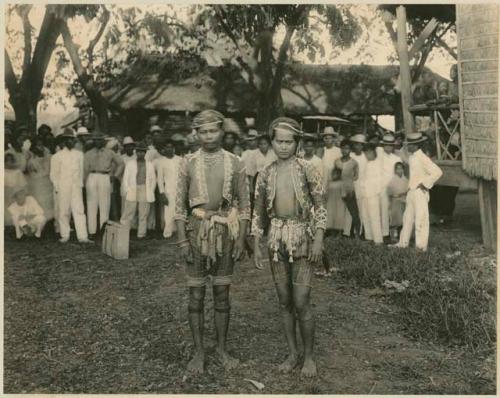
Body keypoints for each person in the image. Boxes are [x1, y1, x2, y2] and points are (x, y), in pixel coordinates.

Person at [174, 109, 250, 374]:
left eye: (213, 130)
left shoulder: (236, 162)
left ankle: (221, 349)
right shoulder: (188, 162)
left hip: (225, 231)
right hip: (196, 229)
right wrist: (183, 241)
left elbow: (244, 205)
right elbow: (179, 205)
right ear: (196, 134)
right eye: (203, 131)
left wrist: (241, 238)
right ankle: (198, 352)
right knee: (196, 294)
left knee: (222, 293)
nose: (209, 136)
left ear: (222, 131)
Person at [252, 117, 325, 378]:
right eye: (278, 141)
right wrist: (257, 243)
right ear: (271, 142)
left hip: (303, 237)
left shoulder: (308, 169)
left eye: (288, 141)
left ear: (297, 142)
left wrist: (318, 238)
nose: (283, 146)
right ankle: (292, 353)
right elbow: (258, 211)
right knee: (284, 301)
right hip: (276, 239)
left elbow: (320, 207)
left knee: (301, 300)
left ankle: (308, 357)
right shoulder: (266, 173)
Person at [392, 133, 443, 251]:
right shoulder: (412, 157)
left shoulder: (423, 157)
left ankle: (421, 246)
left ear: (415, 146)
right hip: (412, 191)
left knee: (421, 218)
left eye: (409, 145)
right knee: (407, 218)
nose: (407, 147)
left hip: (420, 192)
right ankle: (403, 243)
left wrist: (424, 184)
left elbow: (437, 172)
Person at [50, 129, 92, 243]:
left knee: (79, 210)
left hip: (76, 186)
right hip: (63, 186)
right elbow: (53, 174)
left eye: (72, 139)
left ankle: (83, 236)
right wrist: (57, 187)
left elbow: (82, 171)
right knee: (63, 211)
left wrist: (80, 185)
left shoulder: (79, 154)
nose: (70, 141)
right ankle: (65, 235)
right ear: (64, 141)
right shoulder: (57, 156)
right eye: (68, 139)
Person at [84, 132, 124, 237]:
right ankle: (92, 231)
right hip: (92, 177)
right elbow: (85, 170)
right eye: (96, 140)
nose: (98, 142)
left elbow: (120, 163)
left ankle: (103, 231)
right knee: (91, 204)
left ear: (103, 141)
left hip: (104, 176)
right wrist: (84, 183)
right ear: (93, 141)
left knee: (104, 204)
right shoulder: (88, 153)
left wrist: (115, 176)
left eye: (100, 140)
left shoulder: (110, 152)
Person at [120, 142, 156, 239]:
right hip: (133, 188)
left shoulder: (149, 164)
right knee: (129, 211)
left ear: (145, 153)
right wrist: (127, 189)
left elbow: (153, 180)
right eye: (139, 152)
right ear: (136, 152)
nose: (141, 154)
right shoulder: (130, 163)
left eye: (143, 152)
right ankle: (123, 232)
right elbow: (125, 178)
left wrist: (151, 190)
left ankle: (141, 234)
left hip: (144, 188)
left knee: (143, 212)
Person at [156, 139, 182, 239]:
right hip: (168, 190)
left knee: (180, 211)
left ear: (174, 149)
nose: (169, 149)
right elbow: (159, 179)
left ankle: (180, 231)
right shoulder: (161, 162)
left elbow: (183, 176)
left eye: (171, 147)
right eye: (167, 147)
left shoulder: (179, 159)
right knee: (169, 212)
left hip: (180, 189)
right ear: (164, 149)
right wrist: (162, 193)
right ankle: (167, 232)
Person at [378, 133, 402, 239]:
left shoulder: (397, 158)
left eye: (391, 145)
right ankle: (385, 233)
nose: (388, 147)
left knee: (395, 210)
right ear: (383, 145)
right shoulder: (378, 156)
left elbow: (399, 174)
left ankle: (395, 231)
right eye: (386, 145)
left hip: (394, 186)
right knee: (383, 210)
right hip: (382, 187)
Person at [334, 139, 360, 238]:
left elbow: (356, 176)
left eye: (347, 148)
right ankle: (338, 233)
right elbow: (334, 175)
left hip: (349, 190)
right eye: (343, 148)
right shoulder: (337, 162)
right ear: (340, 149)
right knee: (339, 211)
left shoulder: (354, 163)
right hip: (339, 190)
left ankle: (356, 234)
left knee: (353, 212)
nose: (345, 150)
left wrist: (348, 180)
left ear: (350, 150)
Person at [26, 136, 54, 222]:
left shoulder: (48, 157)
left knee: (48, 203)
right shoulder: (31, 159)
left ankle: (48, 221)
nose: (40, 147)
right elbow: (31, 173)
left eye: (41, 145)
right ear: (34, 147)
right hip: (37, 185)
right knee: (38, 202)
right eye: (38, 145)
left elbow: (49, 170)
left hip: (47, 184)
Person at [360, 143, 383, 245]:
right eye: (365, 153)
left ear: (373, 152)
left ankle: (378, 240)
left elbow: (379, 181)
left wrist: (375, 192)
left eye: (368, 153)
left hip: (373, 194)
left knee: (374, 216)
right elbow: (364, 179)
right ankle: (369, 237)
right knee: (365, 216)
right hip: (365, 194)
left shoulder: (377, 164)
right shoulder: (367, 164)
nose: (366, 155)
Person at [350, 134, 368, 238]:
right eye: (356, 144)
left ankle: (360, 232)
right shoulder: (351, 156)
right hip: (351, 185)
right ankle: (349, 231)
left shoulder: (365, 157)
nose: (358, 146)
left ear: (363, 146)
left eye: (360, 145)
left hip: (362, 186)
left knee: (361, 210)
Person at [387, 162, 408, 242]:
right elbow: (389, 192)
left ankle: (400, 235)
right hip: (395, 201)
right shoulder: (392, 180)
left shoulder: (405, 179)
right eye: (397, 169)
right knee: (395, 219)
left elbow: (407, 190)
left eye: (401, 168)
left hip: (404, 201)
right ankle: (392, 236)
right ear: (395, 170)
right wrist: (395, 195)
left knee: (402, 219)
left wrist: (404, 194)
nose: (399, 170)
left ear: (403, 170)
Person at [5, 153, 28, 226]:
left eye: (11, 160)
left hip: (16, 192)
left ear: (13, 161)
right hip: (5, 192)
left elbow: (22, 184)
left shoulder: (17, 171)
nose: (9, 162)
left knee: (17, 208)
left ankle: (23, 225)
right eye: (7, 160)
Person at [326, 168, 348, 236]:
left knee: (339, 215)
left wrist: (344, 199)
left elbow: (344, 194)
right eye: (333, 174)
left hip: (339, 202)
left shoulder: (342, 183)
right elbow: (326, 192)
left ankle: (339, 232)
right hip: (330, 202)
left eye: (335, 174)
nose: (334, 176)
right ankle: (330, 231)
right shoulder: (329, 183)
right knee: (330, 215)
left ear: (339, 175)